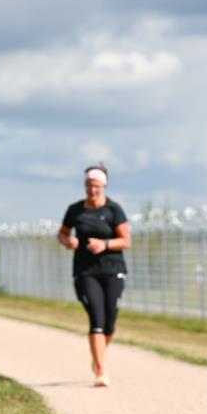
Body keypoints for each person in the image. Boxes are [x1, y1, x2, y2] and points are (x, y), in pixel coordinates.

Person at [57, 165, 131, 387]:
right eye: (89, 186)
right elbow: (62, 234)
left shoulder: (114, 210)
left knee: (110, 324)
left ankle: (97, 355)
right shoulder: (75, 210)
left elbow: (126, 241)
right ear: (85, 186)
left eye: (97, 186)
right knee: (96, 320)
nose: (93, 190)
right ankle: (101, 369)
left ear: (104, 186)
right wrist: (67, 241)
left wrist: (105, 244)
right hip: (85, 271)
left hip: (112, 269)